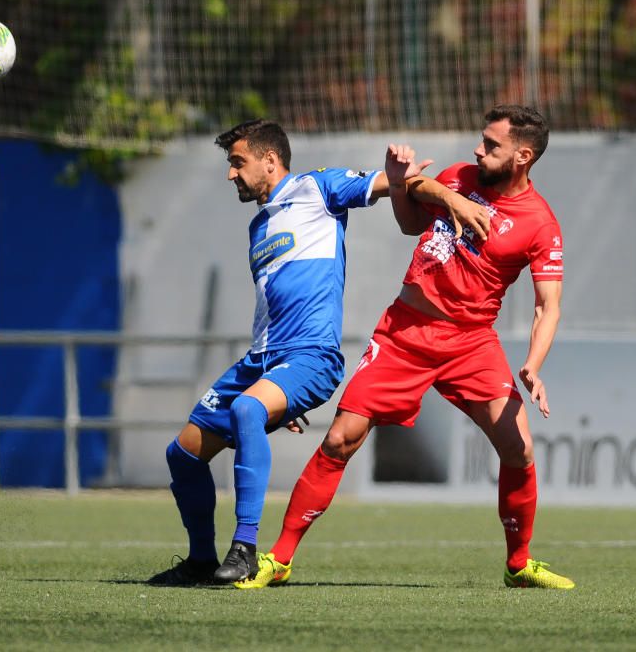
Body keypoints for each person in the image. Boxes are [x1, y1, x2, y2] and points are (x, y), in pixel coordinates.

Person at [236, 104, 575, 590]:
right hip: (405, 332)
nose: (479, 150)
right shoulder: (461, 177)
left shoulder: (540, 224)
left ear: (523, 156)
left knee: (518, 448)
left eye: (492, 145)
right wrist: (404, 184)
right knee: (340, 439)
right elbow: (410, 220)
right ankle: (280, 557)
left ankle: (518, 564)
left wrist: (534, 366)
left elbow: (549, 307)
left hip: (471, 342)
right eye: (482, 139)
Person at [147, 119, 427, 586]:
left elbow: (387, 183)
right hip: (263, 360)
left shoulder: (316, 188)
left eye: (237, 163)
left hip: (311, 355)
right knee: (183, 455)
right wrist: (276, 391)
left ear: (270, 161)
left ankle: (246, 548)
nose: (230, 174)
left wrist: (399, 176)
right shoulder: (260, 226)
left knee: (247, 410)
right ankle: (200, 560)